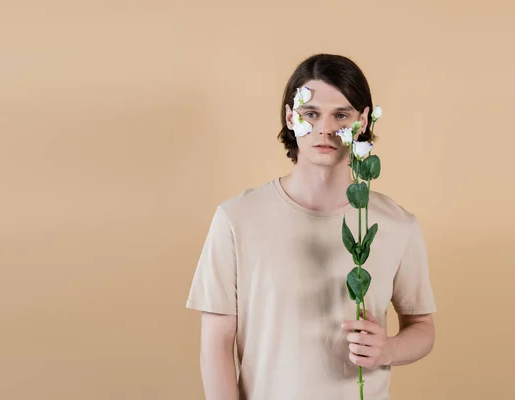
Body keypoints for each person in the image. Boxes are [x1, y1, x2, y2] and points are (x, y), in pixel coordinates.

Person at [186, 53, 436, 400]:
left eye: (341, 114)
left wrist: (388, 349)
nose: (325, 128)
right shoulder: (237, 219)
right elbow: (216, 344)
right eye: (311, 113)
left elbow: (422, 327)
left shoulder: (397, 224)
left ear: (363, 121)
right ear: (291, 117)